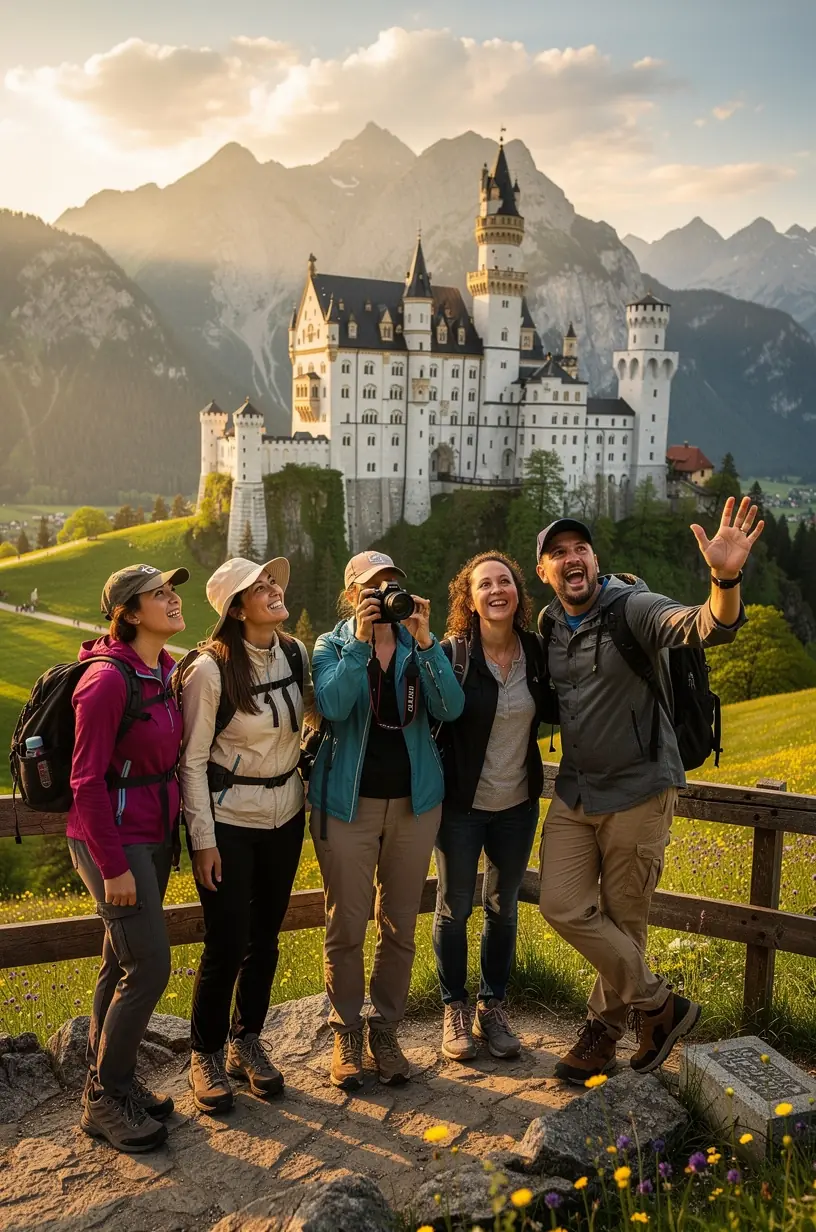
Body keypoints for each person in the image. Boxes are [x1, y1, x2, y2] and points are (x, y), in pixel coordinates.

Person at [535, 496, 763, 1083]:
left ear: (595, 558)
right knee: (561, 904)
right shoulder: (549, 625)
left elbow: (701, 625)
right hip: (577, 792)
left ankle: (602, 1034)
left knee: (624, 915)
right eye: (557, 553)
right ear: (544, 572)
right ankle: (658, 1004)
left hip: (640, 790)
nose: (571, 558)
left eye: (580, 548)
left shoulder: (631, 606)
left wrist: (725, 577)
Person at [309, 550, 465, 1089]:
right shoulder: (331, 646)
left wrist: (425, 642)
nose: (383, 595)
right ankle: (347, 1029)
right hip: (345, 807)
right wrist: (359, 645)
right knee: (348, 923)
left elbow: (450, 708)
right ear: (353, 595)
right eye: (372, 588)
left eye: (390, 585)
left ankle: (386, 1028)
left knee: (400, 925)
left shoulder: (416, 646)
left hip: (414, 804)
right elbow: (331, 704)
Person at [179, 556, 311, 1115]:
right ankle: (204, 1052)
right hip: (230, 821)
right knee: (226, 940)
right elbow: (191, 762)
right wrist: (203, 841)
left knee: (266, 937)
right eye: (260, 587)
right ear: (236, 608)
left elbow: (311, 717)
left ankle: (246, 1040)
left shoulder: (295, 652)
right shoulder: (210, 670)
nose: (275, 589)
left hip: (286, 812)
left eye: (273, 581)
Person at [67, 562, 189, 1153]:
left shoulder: (161, 670)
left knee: (120, 963)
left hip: (149, 835)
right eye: (158, 594)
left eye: (172, 591)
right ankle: (104, 1101)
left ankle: (109, 1081)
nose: (172, 599)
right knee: (150, 967)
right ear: (130, 613)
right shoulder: (108, 682)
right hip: (113, 842)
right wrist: (113, 866)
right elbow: (86, 782)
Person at [433, 552, 550, 1063]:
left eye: (506, 581)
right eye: (486, 584)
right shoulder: (454, 653)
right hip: (461, 806)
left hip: (518, 804)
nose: (497, 590)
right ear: (470, 598)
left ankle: (492, 1006)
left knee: (503, 911)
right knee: (454, 908)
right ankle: (454, 1006)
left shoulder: (537, 653)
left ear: (518, 594)